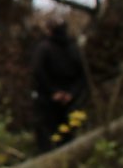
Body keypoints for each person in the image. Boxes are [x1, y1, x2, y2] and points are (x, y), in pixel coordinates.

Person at [32, 19, 88, 152]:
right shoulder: (72, 48)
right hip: (60, 99)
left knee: (53, 138)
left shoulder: (45, 48)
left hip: (54, 101)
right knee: (63, 136)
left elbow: (37, 72)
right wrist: (67, 93)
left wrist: (61, 93)